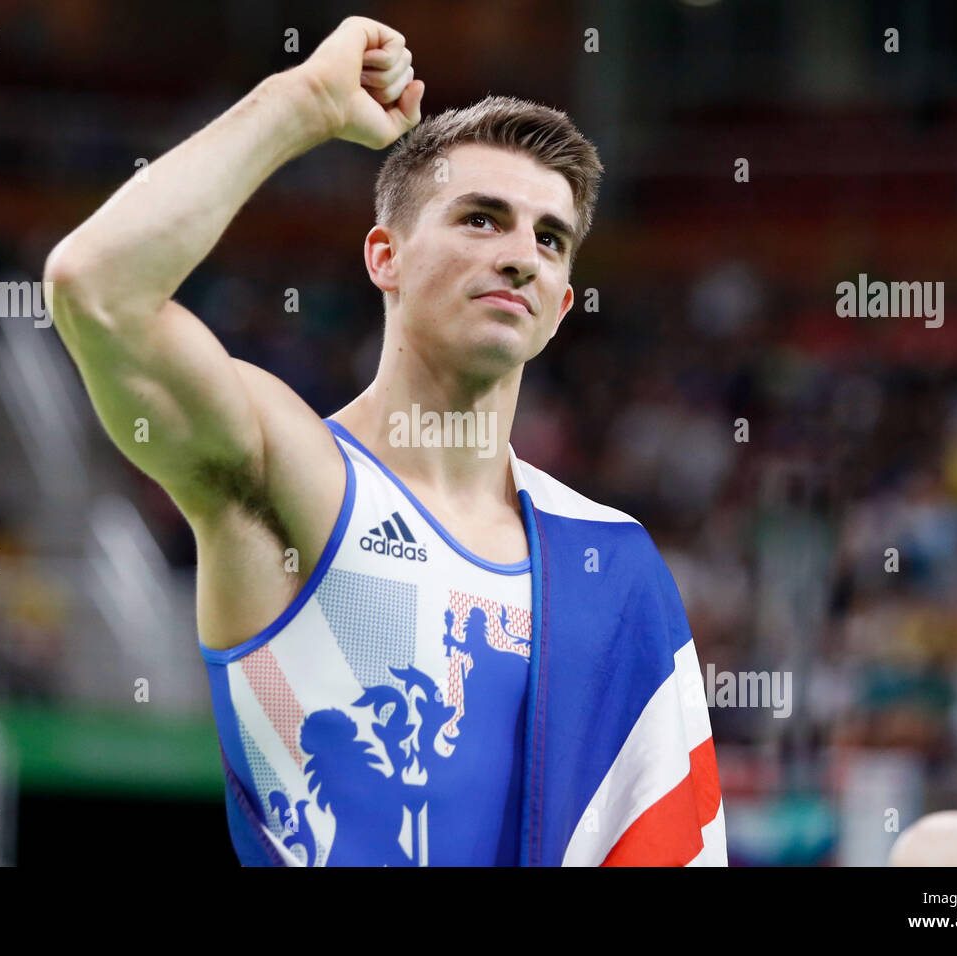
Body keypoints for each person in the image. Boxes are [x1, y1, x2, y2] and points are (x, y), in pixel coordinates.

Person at [44, 16, 725, 866]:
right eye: (482, 219)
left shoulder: (611, 565)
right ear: (385, 256)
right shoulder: (296, 478)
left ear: (559, 307)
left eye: (549, 239)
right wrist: (300, 103)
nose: (521, 256)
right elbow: (96, 289)